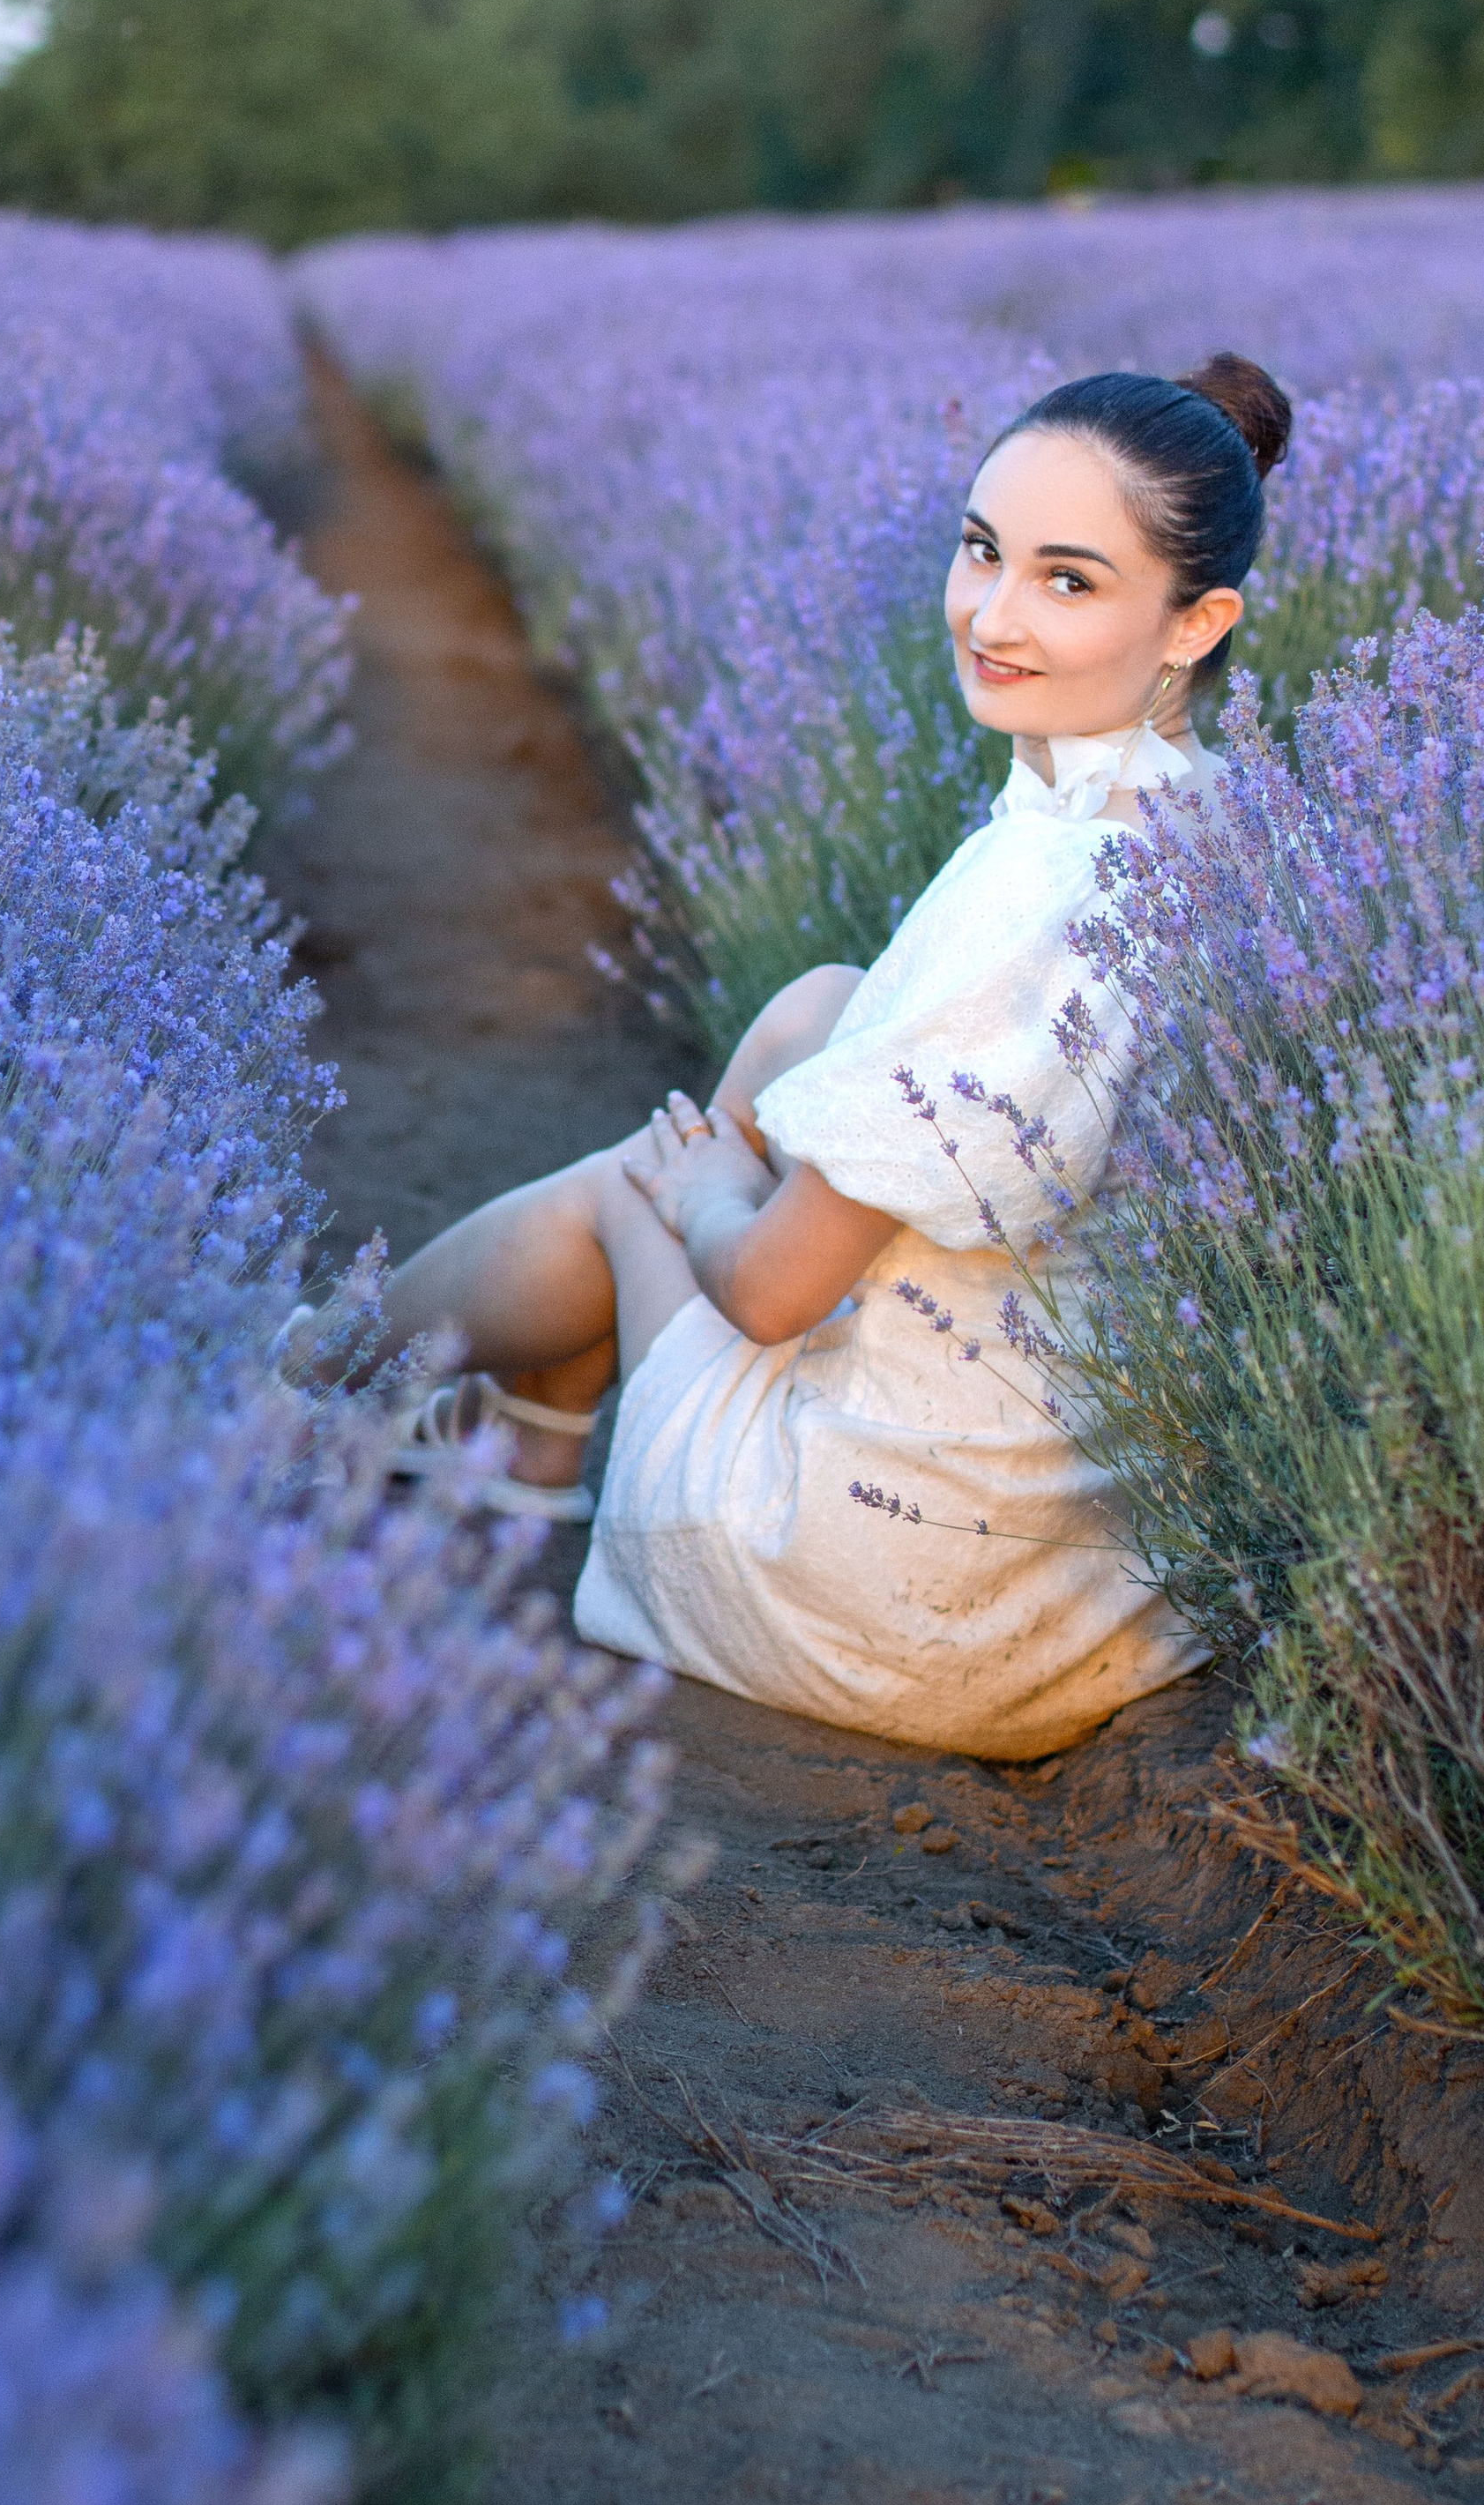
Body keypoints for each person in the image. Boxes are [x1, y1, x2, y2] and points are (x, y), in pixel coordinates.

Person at [301, 357, 1290, 1759]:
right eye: (980, 551)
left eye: (1068, 583)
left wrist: (703, 1193)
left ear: (1196, 622)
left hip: (868, 1601)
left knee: (638, 1183)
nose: (993, 616)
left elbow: (768, 1294)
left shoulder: (1023, 905)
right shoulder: (1242, 832)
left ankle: (311, 1376)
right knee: (822, 1004)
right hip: (1082, 1603)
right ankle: (537, 1424)